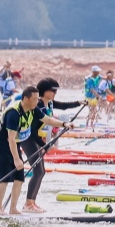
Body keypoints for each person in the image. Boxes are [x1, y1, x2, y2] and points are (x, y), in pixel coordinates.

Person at [0, 87, 68, 215]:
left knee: (19, 178)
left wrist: (64, 124)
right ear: (26, 99)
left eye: (37, 99)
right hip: (2, 145)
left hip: (15, 145)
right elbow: (10, 139)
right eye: (34, 99)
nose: (36, 102)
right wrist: (17, 159)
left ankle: (13, 209)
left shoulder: (33, 110)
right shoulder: (13, 114)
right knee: (4, 178)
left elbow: (48, 120)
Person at [22, 78, 82, 213]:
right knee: (38, 171)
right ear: (46, 91)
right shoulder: (38, 106)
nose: (55, 93)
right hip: (29, 139)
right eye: (53, 90)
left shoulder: (48, 103)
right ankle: (28, 204)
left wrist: (80, 103)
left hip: (36, 139)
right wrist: (44, 145)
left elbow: (64, 105)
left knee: (41, 171)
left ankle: (31, 202)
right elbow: (31, 132)